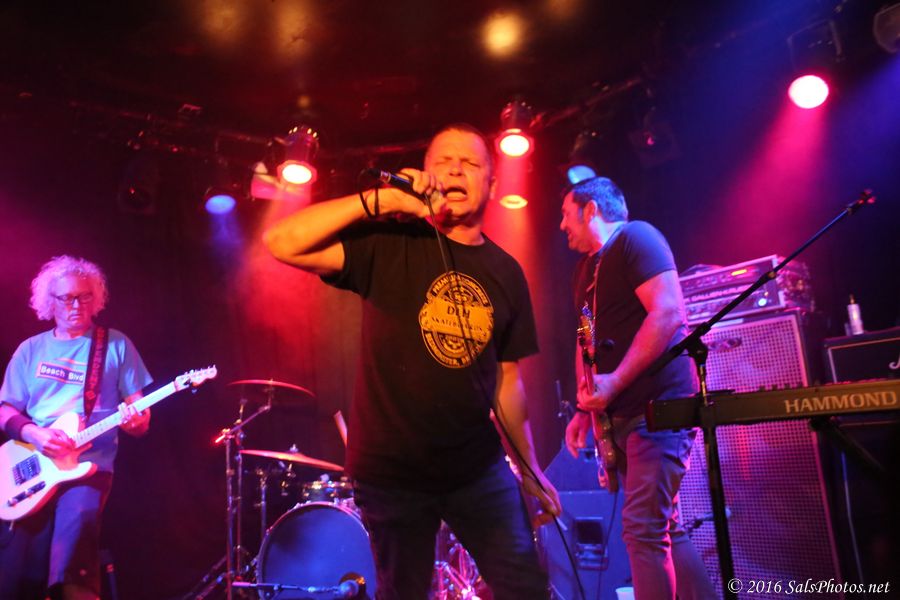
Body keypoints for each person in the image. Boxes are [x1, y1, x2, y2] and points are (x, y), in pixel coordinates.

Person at [264, 123, 561, 599]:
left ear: (492, 183)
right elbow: (282, 241)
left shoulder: (506, 272)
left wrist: (530, 469)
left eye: (470, 163)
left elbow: (508, 382)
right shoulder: (389, 241)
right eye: (444, 162)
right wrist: (384, 201)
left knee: (526, 588)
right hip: (392, 475)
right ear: (424, 175)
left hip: (477, 470)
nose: (456, 170)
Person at [559, 177, 715, 600]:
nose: (561, 225)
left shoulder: (637, 238)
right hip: (622, 414)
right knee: (664, 527)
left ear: (591, 210)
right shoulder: (584, 271)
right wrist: (585, 408)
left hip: (658, 408)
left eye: (567, 214)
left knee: (643, 529)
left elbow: (667, 312)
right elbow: (587, 338)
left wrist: (613, 382)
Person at [0, 256, 152, 600]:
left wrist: (137, 421)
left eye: (84, 297)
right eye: (67, 298)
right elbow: (5, 411)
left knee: (72, 561)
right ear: (49, 302)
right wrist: (34, 434)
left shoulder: (115, 345)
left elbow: (140, 417)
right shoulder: (30, 350)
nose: (76, 305)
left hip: (89, 468)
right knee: (18, 571)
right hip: (33, 465)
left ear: (96, 300)